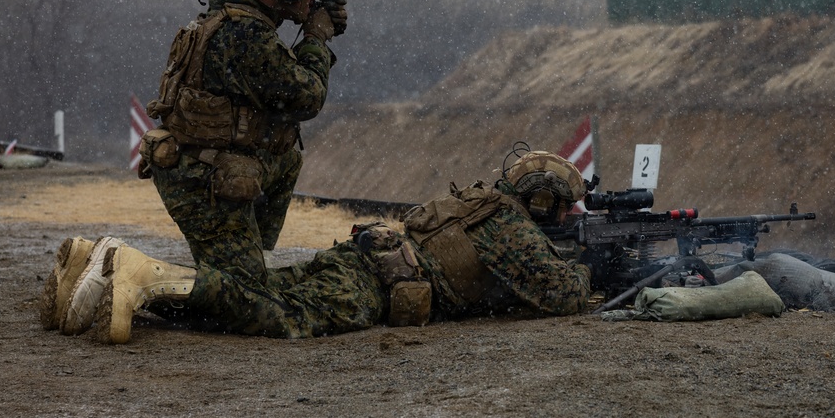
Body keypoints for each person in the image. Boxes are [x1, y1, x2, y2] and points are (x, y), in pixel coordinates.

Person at [39, 0, 349, 336]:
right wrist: (316, 39)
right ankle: (131, 267)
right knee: (244, 303)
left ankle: (91, 264)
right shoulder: (247, 35)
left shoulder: (232, 21)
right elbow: (307, 98)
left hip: (199, 166)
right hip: (204, 178)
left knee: (285, 159)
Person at [50, 148, 593, 344]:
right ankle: (143, 275)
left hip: (361, 257)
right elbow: (562, 296)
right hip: (373, 284)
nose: (566, 216)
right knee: (280, 318)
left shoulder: (484, 204)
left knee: (248, 294)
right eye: (563, 207)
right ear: (541, 201)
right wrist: (591, 272)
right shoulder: (516, 229)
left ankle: (99, 264)